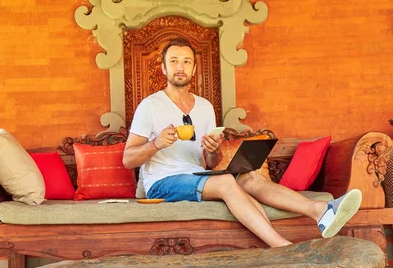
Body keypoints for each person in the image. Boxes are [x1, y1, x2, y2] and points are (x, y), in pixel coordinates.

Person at [123, 37, 362, 247]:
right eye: (174, 61)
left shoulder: (205, 107)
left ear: (194, 69)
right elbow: (127, 159)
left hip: (196, 175)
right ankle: (282, 247)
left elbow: (210, 162)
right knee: (227, 182)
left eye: (186, 61)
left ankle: (320, 211)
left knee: (250, 176)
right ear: (164, 68)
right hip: (162, 182)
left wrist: (214, 151)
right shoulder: (150, 106)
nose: (180, 67)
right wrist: (155, 144)